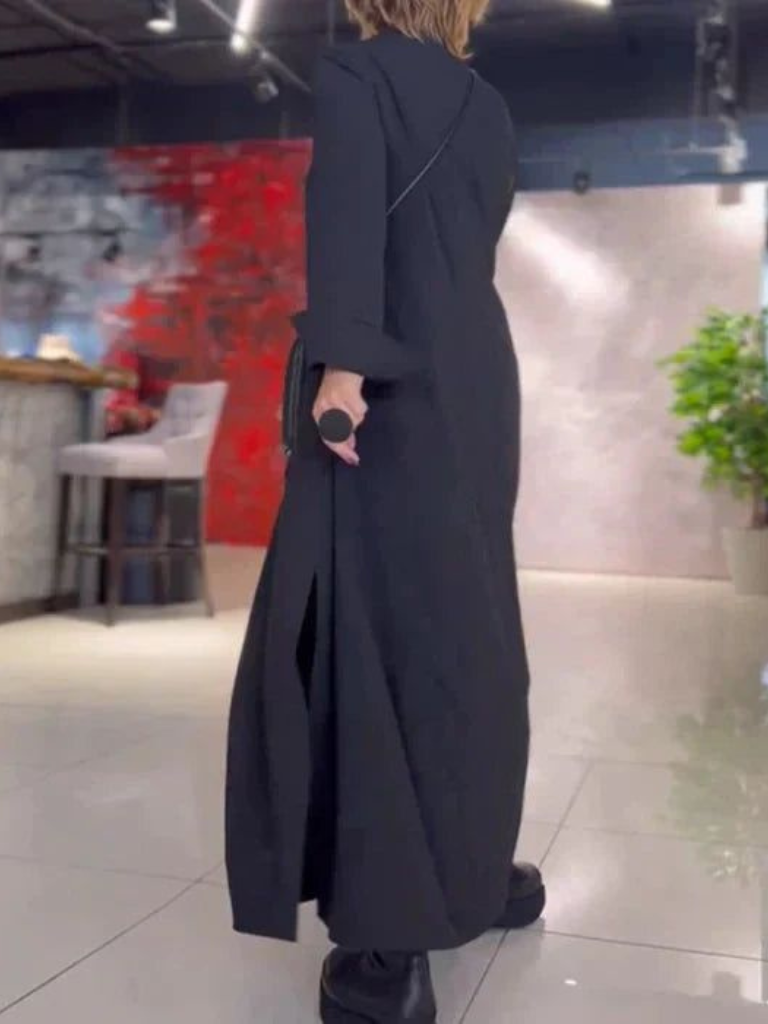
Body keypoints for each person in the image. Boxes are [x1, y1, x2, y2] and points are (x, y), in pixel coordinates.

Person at [226, 2, 542, 1021]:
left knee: (374, 637)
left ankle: (388, 946)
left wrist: (341, 379)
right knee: (472, 624)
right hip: (477, 383)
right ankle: (476, 869)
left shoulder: (358, 77)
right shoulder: (488, 104)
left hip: (385, 392)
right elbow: (464, 242)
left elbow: (351, 227)